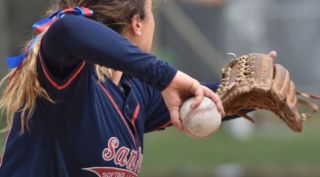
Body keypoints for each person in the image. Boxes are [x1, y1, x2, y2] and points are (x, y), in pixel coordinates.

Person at [0, 0, 275, 176]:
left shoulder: (136, 94)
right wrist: (164, 75)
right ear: (137, 23)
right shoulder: (72, 80)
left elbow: (208, 99)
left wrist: (260, 90)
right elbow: (68, 29)